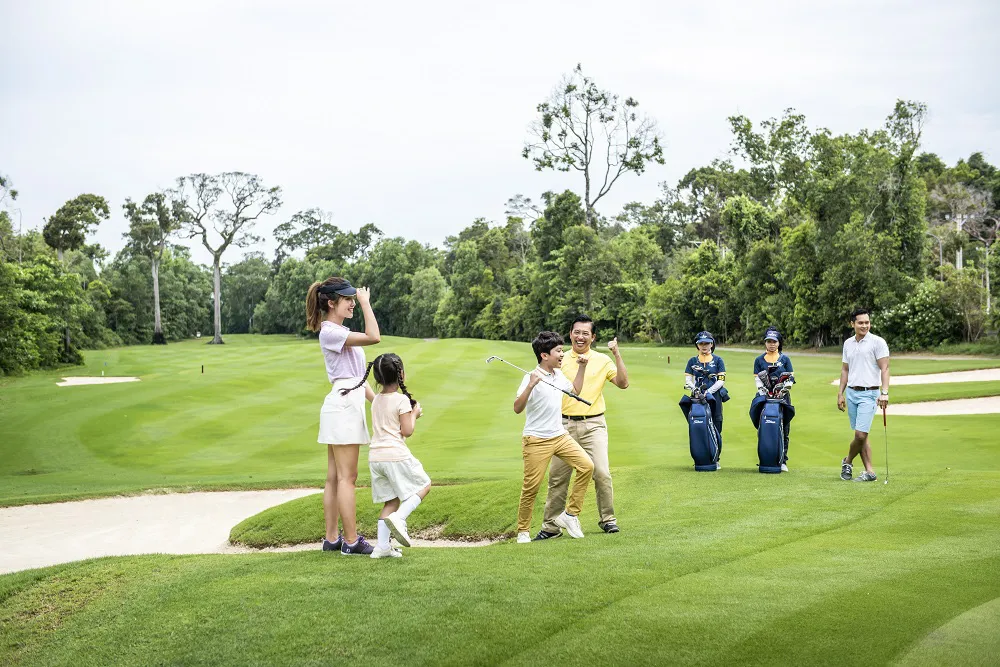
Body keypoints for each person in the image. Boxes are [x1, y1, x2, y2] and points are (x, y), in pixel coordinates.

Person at [306, 277, 381, 556]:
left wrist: (379, 403)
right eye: (347, 299)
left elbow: (357, 379)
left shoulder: (337, 331)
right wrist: (366, 303)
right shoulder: (330, 331)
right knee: (346, 478)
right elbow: (374, 337)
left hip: (347, 399)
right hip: (344, 404)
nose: (352, 303)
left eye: (353, 299)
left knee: (336, 476)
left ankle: (331, 539)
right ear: (331, 302)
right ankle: (350, 541)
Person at [536, 315, 629, 540]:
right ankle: (551, 527)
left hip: (593, 424)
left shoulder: (602, 360)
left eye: (585, 333)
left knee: (602, 473)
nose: (580, 336)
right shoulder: (560, 359)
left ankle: (608, 519)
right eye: (576, 332)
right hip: (563, 425)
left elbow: (623, 383)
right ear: (570, 334)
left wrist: (616, 354)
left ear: (593, 337)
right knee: (557, 477)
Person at [345, 353, 432, 560]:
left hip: (376, 458)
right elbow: (407, 430)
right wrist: (415, 414)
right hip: (395, 454)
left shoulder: (376, 402)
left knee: (390, 501)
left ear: (378, 378)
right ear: (401, 373)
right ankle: (400, 519)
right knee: (424, 485)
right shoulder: (401, 400)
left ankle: (382, 547)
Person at [513, 331, 594, 544]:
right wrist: (531, 384)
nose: (562, 354)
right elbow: (517, 408)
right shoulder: (529, 377)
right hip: (536, 440)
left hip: (560, 436)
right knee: (531, 487)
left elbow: (575, 389)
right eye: (558, 351)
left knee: (587, 466)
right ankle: (523, 532)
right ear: (544, 355)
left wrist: (582, 367)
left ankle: (569, 515)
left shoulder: (558, 376)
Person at [837, 308, 890, 482]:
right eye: (860, 322)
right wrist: (840, 393)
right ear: (852, 324)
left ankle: (847, 461)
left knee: (860, 434)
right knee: (862, 434)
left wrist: (884, 393)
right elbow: (845, 369)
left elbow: (885, 368)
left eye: (867, 322)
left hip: (870, 394)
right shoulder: (848, 344)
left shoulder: (877, 342)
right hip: (852, 393)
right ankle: (869, 472)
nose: (864, 325)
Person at [753, 327, 795, 472]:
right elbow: (758, 380)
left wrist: (784, 389)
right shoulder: (759, 360)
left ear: (779, 343)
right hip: (764, 398)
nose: (771, 344)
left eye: (774, 341)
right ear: (765, 343)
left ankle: (782, 460)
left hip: (782, 398)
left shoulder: (785, 359)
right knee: (765, 428)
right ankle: (766, 458)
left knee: (784, 428)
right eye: (768, 341)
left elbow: (790, 378)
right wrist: (762, 391)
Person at [684, 331, 728, 437]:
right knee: (698, 422)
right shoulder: (692, 361)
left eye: (707, 343)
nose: (704, 346)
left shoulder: (718, 360)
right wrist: (695, 390)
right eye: (701, 344)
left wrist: (708, 392)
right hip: (697, 396)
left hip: (715, 395)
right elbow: (688, 380)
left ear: (711, 344)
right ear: (697, 345)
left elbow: (721, 380)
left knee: (716, 422)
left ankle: (716, 448)